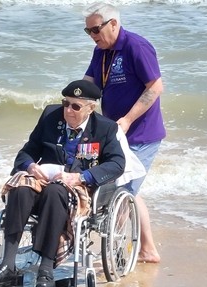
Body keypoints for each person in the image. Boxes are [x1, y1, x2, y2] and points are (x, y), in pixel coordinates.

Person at [0, 80, 126, 287]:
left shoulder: (105, 128)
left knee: (55, 192)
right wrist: (30, 167)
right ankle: (8, 266)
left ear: (91, 108)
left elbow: (117, 163)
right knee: (20, 189)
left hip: (76, 188)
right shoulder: (50, 117)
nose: (68, 110)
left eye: (76, 106)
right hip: (43, 182)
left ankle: (46, 269)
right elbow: (26, 152)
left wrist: (81, 177)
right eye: (66, 103)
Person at [81, 2, 164, 263]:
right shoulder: (101, 51)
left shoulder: (136, 46)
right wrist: (73, 105)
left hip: (141, 134)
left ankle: (114, 251)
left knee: (123, 189)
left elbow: (155, 87)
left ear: (113, 24)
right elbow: (89, 84)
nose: (93, 35)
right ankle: (148, 249)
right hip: (115, 133)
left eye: (96, 29)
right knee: (131, 190)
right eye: (88, 31)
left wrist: (127, 120)